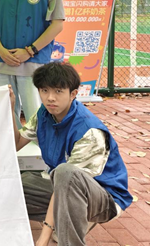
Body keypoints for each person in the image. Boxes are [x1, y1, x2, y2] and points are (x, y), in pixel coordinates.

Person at [13, 63, 132, 246]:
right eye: (44, 90)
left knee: (65, 172)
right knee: (14, 185)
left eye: (58, 91)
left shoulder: (88, 130)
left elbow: (67, 181)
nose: (50, 98)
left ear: (73, 94)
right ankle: (64, 222)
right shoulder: (44, 113)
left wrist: (43, 236)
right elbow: (16, 144)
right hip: (62, 185)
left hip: (104, 197)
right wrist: (9, 108)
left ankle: (72, 232)